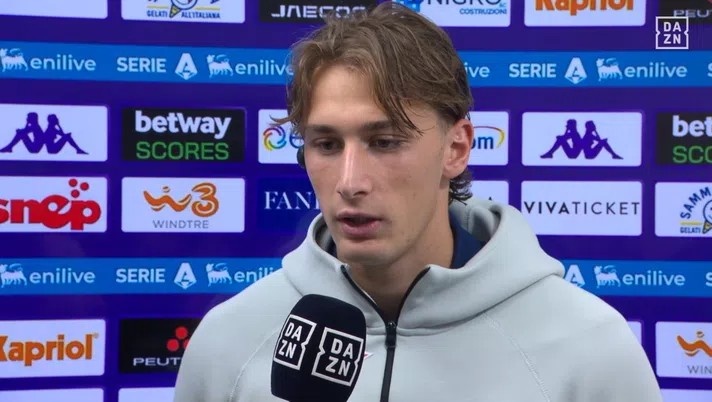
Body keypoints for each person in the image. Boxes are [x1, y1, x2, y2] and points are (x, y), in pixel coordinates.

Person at [173, 3, 662, 401]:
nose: (350, 182)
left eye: (384, 142)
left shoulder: (588, 347)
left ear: (456, 148)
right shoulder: (230, 341)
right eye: (326, 144)